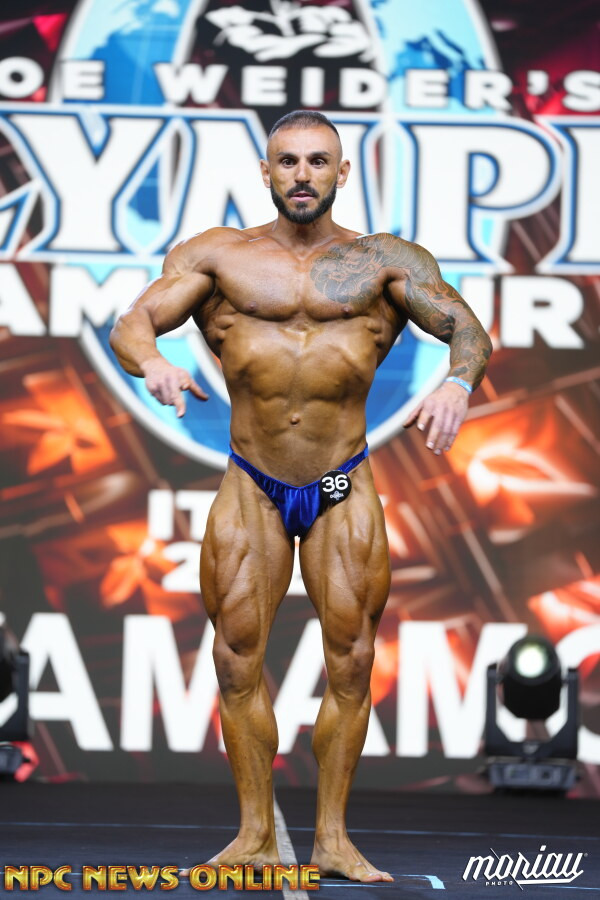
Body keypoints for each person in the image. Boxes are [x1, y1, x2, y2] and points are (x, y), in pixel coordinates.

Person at [109, 110, 492, 883]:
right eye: (288, 161)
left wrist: (456, 383)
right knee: (235, 658)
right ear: (266, 172)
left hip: (342, 480)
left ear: (343, 172)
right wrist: (153, 363)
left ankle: (335, 840)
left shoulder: (384, 262)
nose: (303, 175)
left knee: (351, 659)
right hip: (252, 481)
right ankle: (254, 833)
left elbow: (467, 331)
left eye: (319, 161)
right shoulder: (219, 256)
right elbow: (134, 321)